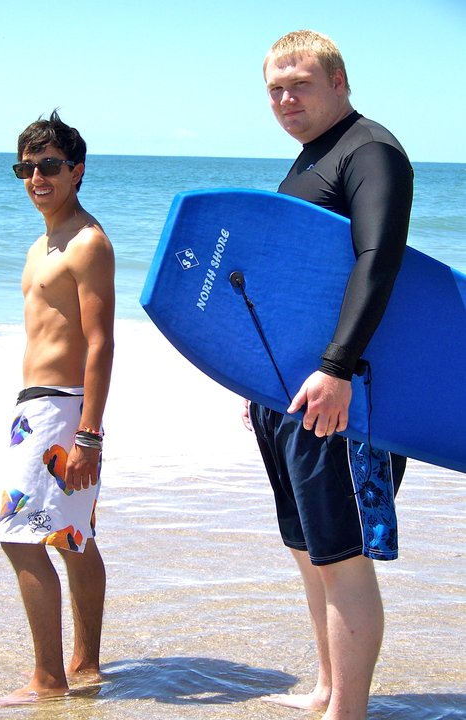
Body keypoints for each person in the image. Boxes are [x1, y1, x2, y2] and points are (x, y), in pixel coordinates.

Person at [242, 31, 413, 719]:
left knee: (341, 555)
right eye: (275, 89)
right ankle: (326, 689)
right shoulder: (310, 160)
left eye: (300, 84)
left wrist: (338, 368)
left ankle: (350, 711)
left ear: (338, 82)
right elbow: (299, 282)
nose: (286, 99)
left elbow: (379, 259)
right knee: (308, 549)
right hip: (290, 392)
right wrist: (254, 380)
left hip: (347, 394)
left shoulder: (369, 151)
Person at [0, 111, 115, 704]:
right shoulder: (42, 244)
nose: (37, 178)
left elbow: (101, 342)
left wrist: (89, 434)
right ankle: (85, 665)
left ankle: (48, 680)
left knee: (20, 537)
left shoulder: (87, 242)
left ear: (77, 171)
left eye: (48, 166)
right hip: (39, 406)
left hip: (61, 411)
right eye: (27, 168)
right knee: (74, 537)